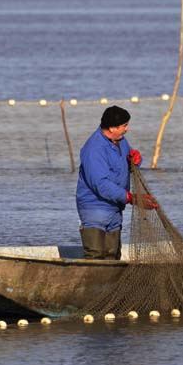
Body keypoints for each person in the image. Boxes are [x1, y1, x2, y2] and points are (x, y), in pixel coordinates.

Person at [76, 105, 156, 260]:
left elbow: (127, 162)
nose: (127, 129)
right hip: (94, 208)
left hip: (115, 208)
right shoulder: (94, 149)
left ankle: (109, 285)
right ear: (112, 128)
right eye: (124, 125)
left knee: (113, 255)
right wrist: (130, 198)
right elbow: (101, 184)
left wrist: (136, 159)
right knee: (96, 255)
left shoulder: (120, 140)